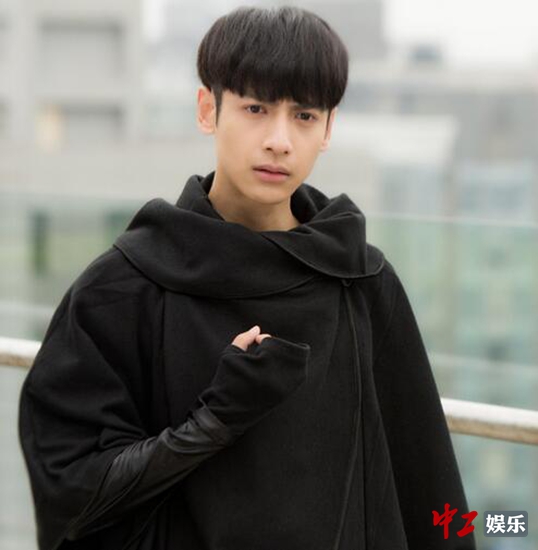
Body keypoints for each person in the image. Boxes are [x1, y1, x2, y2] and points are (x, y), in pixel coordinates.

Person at [18, 6, 476, 550]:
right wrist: (216, 420)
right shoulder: (125, 286)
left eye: (304, 115)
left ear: (328, 128)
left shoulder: (362, 282)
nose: (279, 140)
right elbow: (71, 494)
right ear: (207, 109)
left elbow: (428, 489)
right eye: (256, 108)